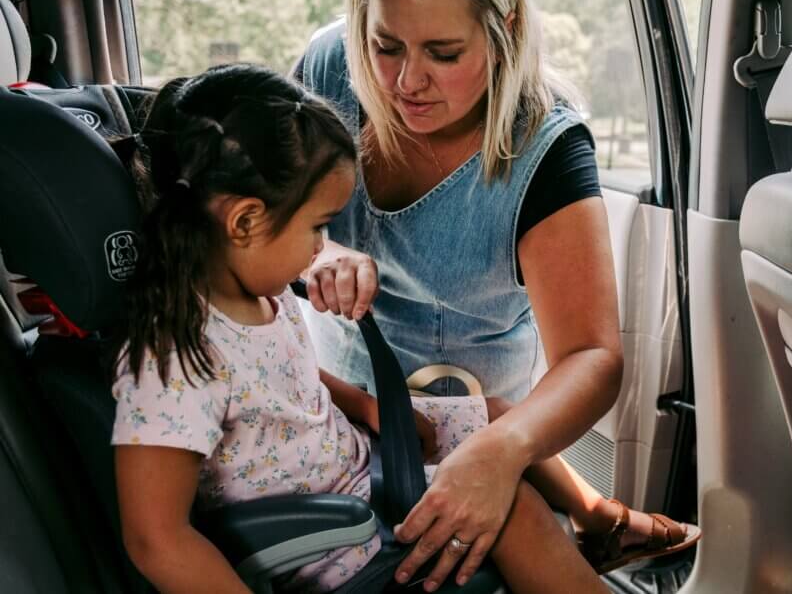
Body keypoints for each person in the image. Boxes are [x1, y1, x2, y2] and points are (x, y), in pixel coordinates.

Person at [108, 64, 694, 594]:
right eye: (317, 228)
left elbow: (293, 379)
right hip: (339, 541)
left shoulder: (258, 298)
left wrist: (367, 407)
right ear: (244, 221)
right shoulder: (172, 359)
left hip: (361, 471)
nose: (323, 248)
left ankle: (598, 521)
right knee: (512, 508)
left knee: (490, 413)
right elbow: (154, 539)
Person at [295, 0, 700, 585]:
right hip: (342, 401)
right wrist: (317, 251)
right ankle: (601, 516)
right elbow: (259, 216)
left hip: (479, 412)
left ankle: (597, 517)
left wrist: (502, 450)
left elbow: (592, 356)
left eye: (443, 53)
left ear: (504, 27)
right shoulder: (329, 66)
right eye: (385, 45)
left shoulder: (545, 148)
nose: (404, 82)